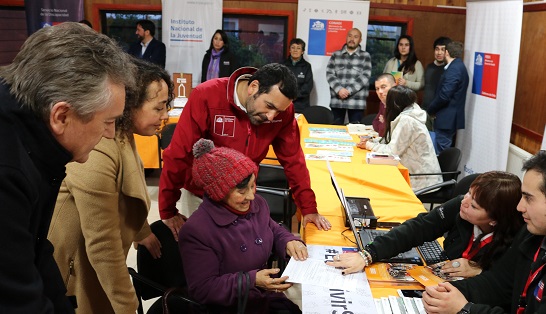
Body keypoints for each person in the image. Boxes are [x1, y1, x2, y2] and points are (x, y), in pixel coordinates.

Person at [0, 22, 135, 313]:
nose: (110, 134)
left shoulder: (34, 133)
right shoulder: (8, 169)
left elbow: (36, 250)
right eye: (108, 121)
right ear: (61, 116)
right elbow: (15, 299)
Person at [47, 58, 173, 314]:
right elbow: (102, 244)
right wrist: (127, 306)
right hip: (74, 271)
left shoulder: (123, 134)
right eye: (159, 108)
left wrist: (141, 231)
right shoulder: (98, 144)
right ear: (129, 104)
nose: (165, 116)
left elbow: (125, 190)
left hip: (90, 265)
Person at [159, 63, 331, 242]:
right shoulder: (207, 95)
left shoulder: (283, 113)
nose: (271, 116)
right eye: (269, 106)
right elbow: (178, 154)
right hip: (202, 196)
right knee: (202, 255)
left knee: (238, 254)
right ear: (253, 87)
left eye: (278, 111)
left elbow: (294, 160)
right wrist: (168, 210)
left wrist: (309, 208)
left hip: (244, 196)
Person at [179, 139, 307, 313]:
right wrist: (251, 280)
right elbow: (203, 289)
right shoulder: (197, 231)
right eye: (241, 191)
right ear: (219, 192)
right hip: (230, 307)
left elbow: (272, 228)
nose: (251, 196)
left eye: (252, 186)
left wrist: (288, 241)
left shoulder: (256, 205)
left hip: (262, 298)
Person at [327, 171, 523, 279]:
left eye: (474, 205)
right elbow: (419, 228)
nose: (464, 201)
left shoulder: (517, 241)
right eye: (469, 193)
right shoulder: (461, 206)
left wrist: (481, 271)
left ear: (494, 220)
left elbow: (507, 287)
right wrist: (367, 254)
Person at [422, 151, 546, 314]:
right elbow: (498, 284)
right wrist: (442, 291)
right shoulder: (531, 235)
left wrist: (465, 309)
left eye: (528, 198)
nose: (519, 207)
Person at [357, 85, 442, 191]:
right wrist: (372, 141)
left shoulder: (407, 120)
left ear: (394, 104)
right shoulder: (408, 113)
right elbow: (391, 140)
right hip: (420, 175)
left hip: (421, 181)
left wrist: (368, 145)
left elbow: (391, 152)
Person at [427, 41, 469, 154]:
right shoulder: (458, 66)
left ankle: (439, 172)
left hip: (446, 119)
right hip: (448, 118)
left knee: (440, 153)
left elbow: (444, 95)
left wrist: (430, 110)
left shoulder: (455, 68)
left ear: (446, 52)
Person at [326, 28, 372, 125]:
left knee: (356, 131)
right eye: (350, 36)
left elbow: (365, 76)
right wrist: (339, 90)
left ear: (360, 40)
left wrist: (348, 91)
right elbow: (329, 74)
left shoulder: (365, 56)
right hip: (337, 100)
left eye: (356, 37)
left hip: (357, 102)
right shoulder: (336, 55)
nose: (352, 39)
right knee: (335, 131)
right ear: (346, 37)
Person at [422, 36, 452, 131]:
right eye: (437, 49)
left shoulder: (448, 69)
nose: (439, 52)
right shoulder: (429, 67)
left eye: (443, 50)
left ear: (447, 52)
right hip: (425, 111)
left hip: (439, 114)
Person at [283, 38, 314, 113]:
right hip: (284, 103)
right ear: (289, 50)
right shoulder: (283, 65)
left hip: (301, 106)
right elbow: (279, 83)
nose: (295, 50)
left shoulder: (307, 66)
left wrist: (294, 96)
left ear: (302, 51)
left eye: (298, 48)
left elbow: (308, 86)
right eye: (293, 47)